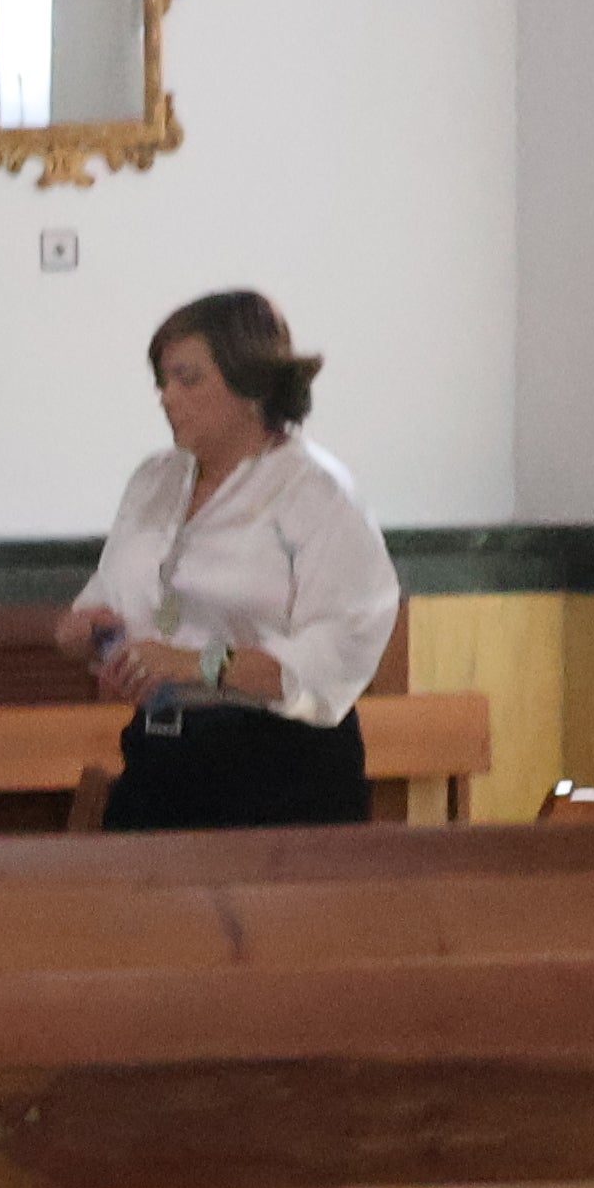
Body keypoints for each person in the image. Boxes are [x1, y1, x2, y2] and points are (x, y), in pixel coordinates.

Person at [59, 289, 401, 833]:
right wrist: (93, 636)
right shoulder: (155, 481)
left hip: (279, 770)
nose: (168, 398)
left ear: (251, 385)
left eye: (188, 379)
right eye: (162, 382)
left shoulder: (313, 491)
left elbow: (338, 647)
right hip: (163, 754)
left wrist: (199, 664)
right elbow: (103, 602)